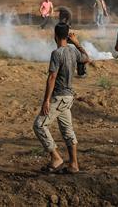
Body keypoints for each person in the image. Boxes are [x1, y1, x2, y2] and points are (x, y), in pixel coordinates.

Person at [33, 23, 90, 174]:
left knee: (39, 125)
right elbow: (86, 58)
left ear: (55, 36)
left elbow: (52, 77)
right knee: (67, 130)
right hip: (69, 97)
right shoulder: (73, 51)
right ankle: (74, 165)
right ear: (67, 37)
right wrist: (77, 43)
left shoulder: (57, 53)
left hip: (59, 97)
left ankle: (56, 158)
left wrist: (46, 100)